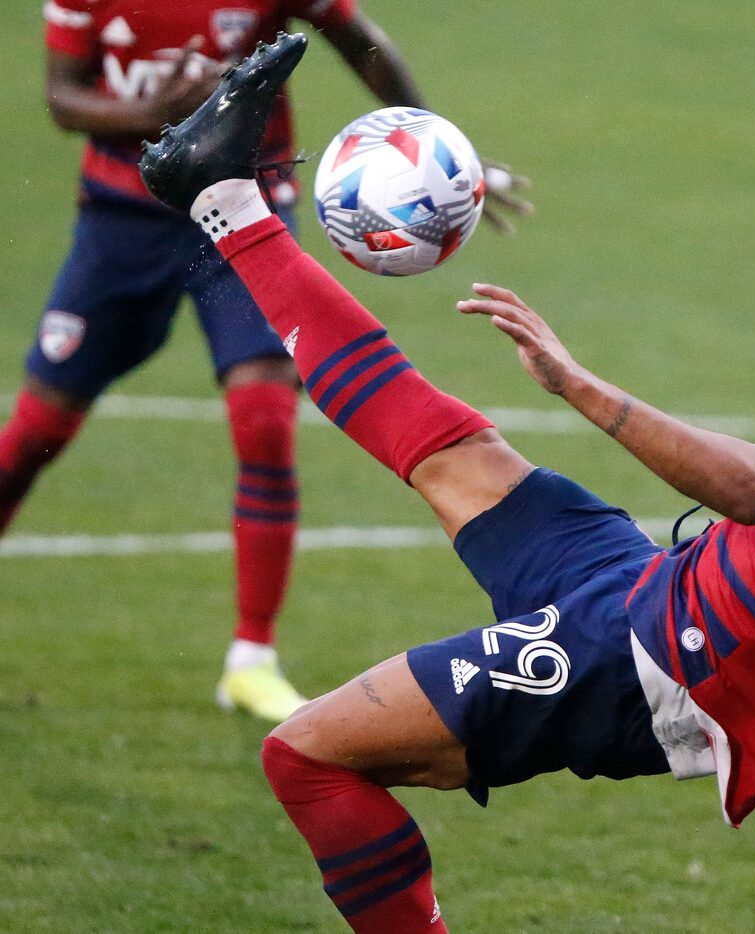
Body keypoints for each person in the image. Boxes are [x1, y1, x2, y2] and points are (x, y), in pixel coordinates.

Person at [140, 34, 755, 932]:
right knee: (448, 450)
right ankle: (221, 200)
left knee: (305, 754)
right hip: (655, 593)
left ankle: (225, 206)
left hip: (653, 660)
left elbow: (749, 485)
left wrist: (578, 385)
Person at [0, 2, 531, 722]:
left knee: (264, 418)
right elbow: (63, 98)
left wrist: (441, 150)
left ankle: (252, 661)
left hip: (242, 204)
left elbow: (356, 38)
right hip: (121, 219)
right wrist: (160, 109)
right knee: (37, 428)